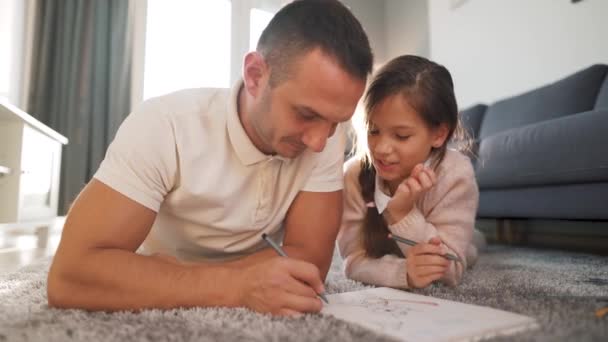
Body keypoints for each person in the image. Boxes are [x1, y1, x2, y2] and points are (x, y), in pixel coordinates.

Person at [47, 0, 373, 316]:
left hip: (165, 275)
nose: (319, 142)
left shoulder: (325, 136)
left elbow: (309, 264)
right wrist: (234, 286)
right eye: (305, 114)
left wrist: (162, 276)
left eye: (336, 122)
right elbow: (70, 275)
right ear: (255, 74)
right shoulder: (166, 125)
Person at [338, 55, 483, 290]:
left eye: (401, 136)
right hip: (396, 248)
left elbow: (450, 269)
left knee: (470, 249)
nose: (381, 149)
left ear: (439, 134)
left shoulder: (455, 174)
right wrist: (403, 272)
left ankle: (472, 241)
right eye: (373, 131)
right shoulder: (353, 176)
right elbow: (353, 261)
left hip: (451, 234)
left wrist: (403, 214)